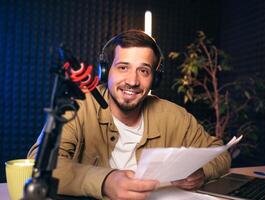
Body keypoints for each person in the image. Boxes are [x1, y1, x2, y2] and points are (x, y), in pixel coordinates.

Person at [28, 30, 231, 200]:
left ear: (155, 79)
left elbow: (220, 153)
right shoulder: (77, 107)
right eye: (123, 67)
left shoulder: (175, 116)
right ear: (106, 72)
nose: (132, 81)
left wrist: (202, 172)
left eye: (143, 71)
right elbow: (38, 164)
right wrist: (105, 181)